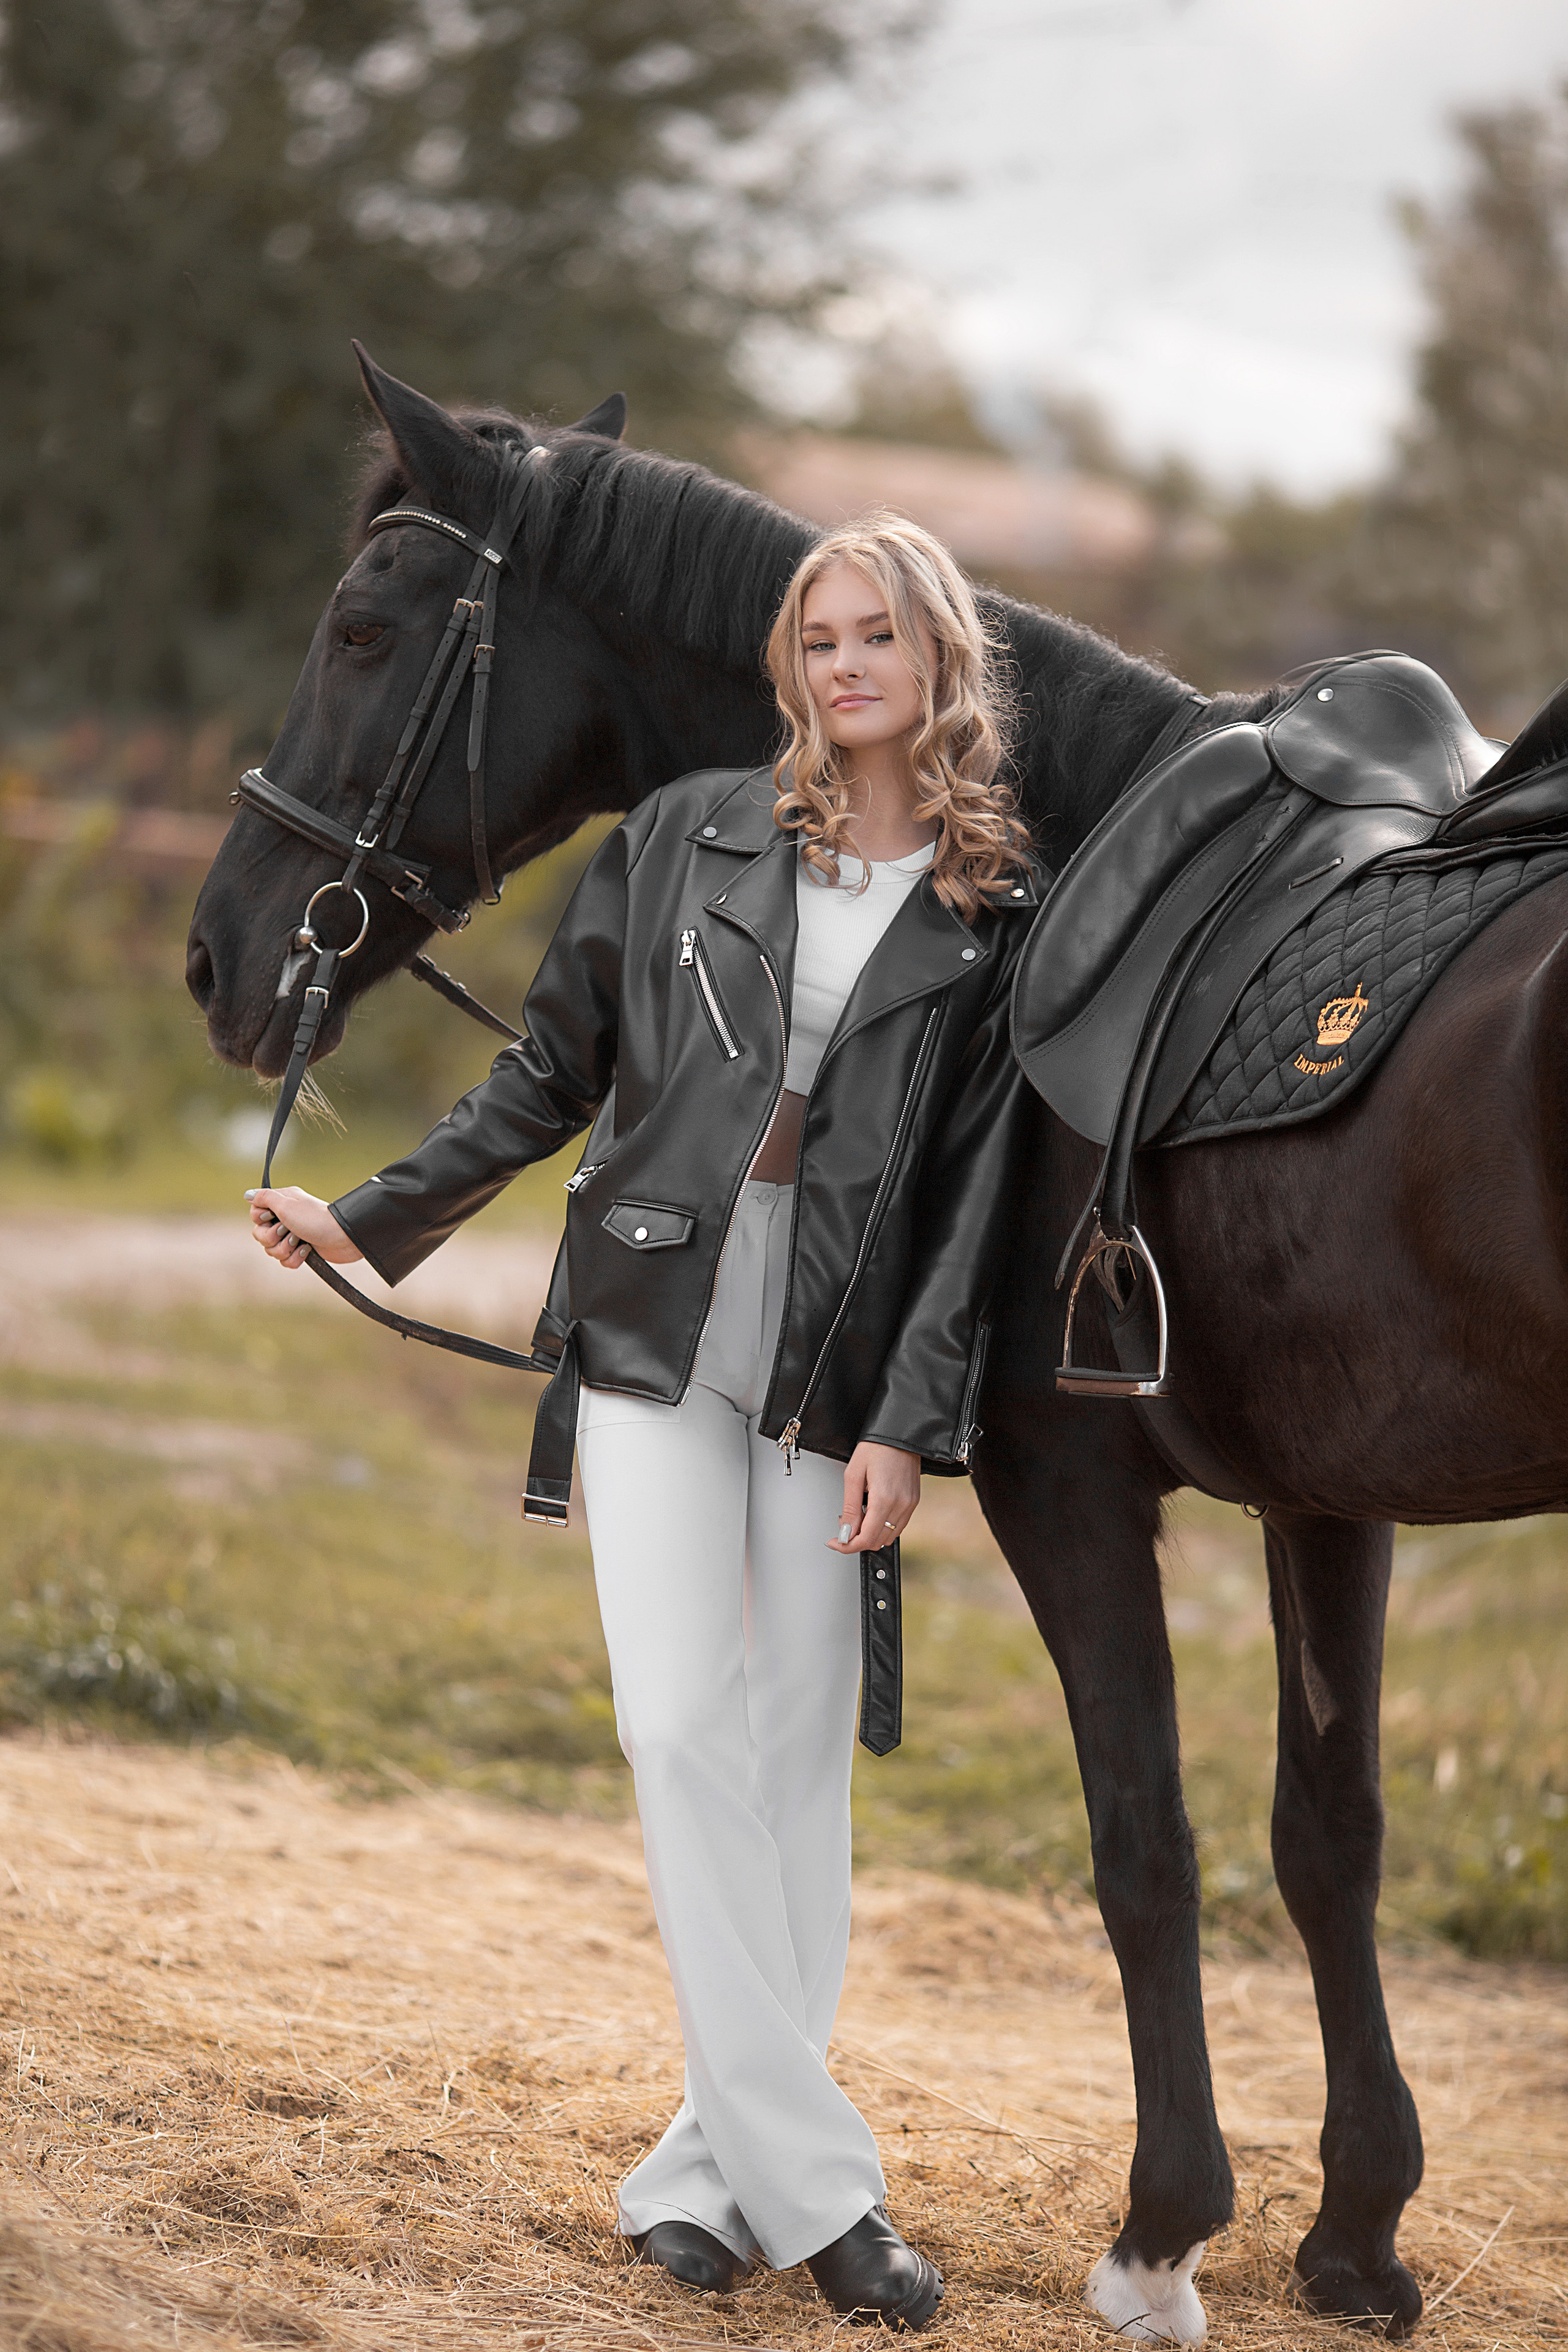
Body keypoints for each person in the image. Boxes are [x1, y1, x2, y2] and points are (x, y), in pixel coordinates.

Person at [249, 513, 1039, 2328]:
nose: (847, 665)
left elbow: (972, 1214)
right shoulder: (689, 833)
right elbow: (551, 1074)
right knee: (680, 1724)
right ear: (791, 662)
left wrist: (912, 1425)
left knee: (794, 1767)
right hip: (658, 1313)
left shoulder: (997, 917)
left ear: (938, 663)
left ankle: (704, 2178)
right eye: (820, 636)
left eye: (880, 636)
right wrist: (366, 1219)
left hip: (834, 1363)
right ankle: (827, 2198)